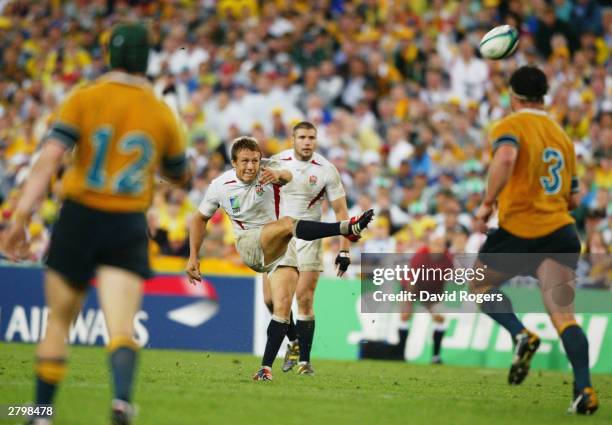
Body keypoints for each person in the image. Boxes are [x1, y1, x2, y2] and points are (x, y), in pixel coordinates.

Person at [0, 23, 190, 425]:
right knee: (121, 326)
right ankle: (121, 402)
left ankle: (39, 414)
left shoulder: (84, 98)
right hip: (126, 222)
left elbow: (49, 160)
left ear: (110, 54)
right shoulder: (161, 112)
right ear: (147, 59)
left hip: (80, 216)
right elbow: (179, 173)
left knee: (59, 323)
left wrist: (20, 219)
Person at [186, 136, 373, 381]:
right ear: (233, 162)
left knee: (280, 307)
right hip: (250, 244)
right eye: (244, 161)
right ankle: (346, 227)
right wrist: (193, 257)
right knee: (287, 224)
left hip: (280, 245)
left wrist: (278, 176)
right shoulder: (220, 185)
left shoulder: (269, 171)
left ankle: (266, 367)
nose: (251, 167)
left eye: (254, 161)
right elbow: (199, 219)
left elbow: (287, 175)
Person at [471, 66, 598, 415]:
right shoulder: (562, 137)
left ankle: (520, 334)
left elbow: (507, 156)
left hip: (520, 228)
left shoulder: (509, 125)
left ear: (513, 96)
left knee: (478, 287)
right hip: (560, 231)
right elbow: (573, 200)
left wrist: (486, 204)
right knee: (564, 317)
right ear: (544, 96)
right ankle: (583, 390)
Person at [260, 121, 352, 376]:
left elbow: (341, 211)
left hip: (309, 238)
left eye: (311, 137)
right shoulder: (278, 161)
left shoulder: (326, 170)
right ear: (293, 139)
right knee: (270, 300)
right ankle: (294, 341)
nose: (307, 141)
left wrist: (344, 250)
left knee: (304, 298)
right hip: (279, 236)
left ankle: (304, 363)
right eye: (302, 137)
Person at [399, 233, 453, 364]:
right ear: (429, 245)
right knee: (405, 315)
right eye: (435, 244)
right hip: (412, 287)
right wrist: (408, 303)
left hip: (431, 291)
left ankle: (436, 357)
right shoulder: (420, 256)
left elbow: (444, 283)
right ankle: (400, 354)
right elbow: (412, 281)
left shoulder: (448, 259)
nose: (438, 248)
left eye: (441, 245)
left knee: (440, 319)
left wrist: (435, 304)